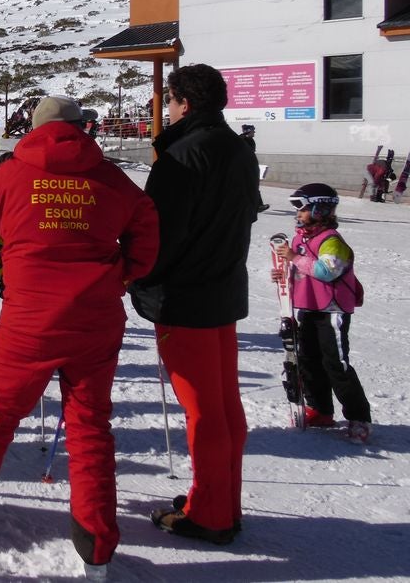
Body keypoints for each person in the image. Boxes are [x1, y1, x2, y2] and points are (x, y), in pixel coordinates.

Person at [0, 96, 159, 576]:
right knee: (91, 423)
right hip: (96, 319)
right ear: (80, 128)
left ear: (34, 129)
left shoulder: (9, 174)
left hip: (30, 319)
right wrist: (123, 275)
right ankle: (96, 537)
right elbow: (147, 232)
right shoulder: (111, 177)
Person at [129, 64, 260, 545]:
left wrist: (139, 278)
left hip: (188, 298)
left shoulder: (182, 156)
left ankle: (211, 514)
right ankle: (224, 500)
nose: (166, 109)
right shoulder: (239, 150)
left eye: (170, 101)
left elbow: (158, 236)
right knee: (224, 407)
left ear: (184, 102)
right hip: (223, 291)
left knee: (204, 412)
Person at [274, 183, 371, 442]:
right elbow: (300, 270)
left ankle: (358, 417)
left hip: (331, 311)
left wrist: (294, 258)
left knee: (335, 364)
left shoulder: (332, 242)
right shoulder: (299, 239)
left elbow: (327, 271)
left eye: (302, 208)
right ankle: (320, 409)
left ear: (321, 209)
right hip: (307, 307)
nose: (298, 213)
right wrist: (284, 273)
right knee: (308, 361)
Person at [239, 125, 268, 211]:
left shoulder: (251, 141)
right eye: (253, 131)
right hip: (240, 167)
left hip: (248, 167)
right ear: (248, 131)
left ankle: (258, 205)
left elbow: (251, 154)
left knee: (253, 186)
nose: (254, 132)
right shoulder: (240, 140)